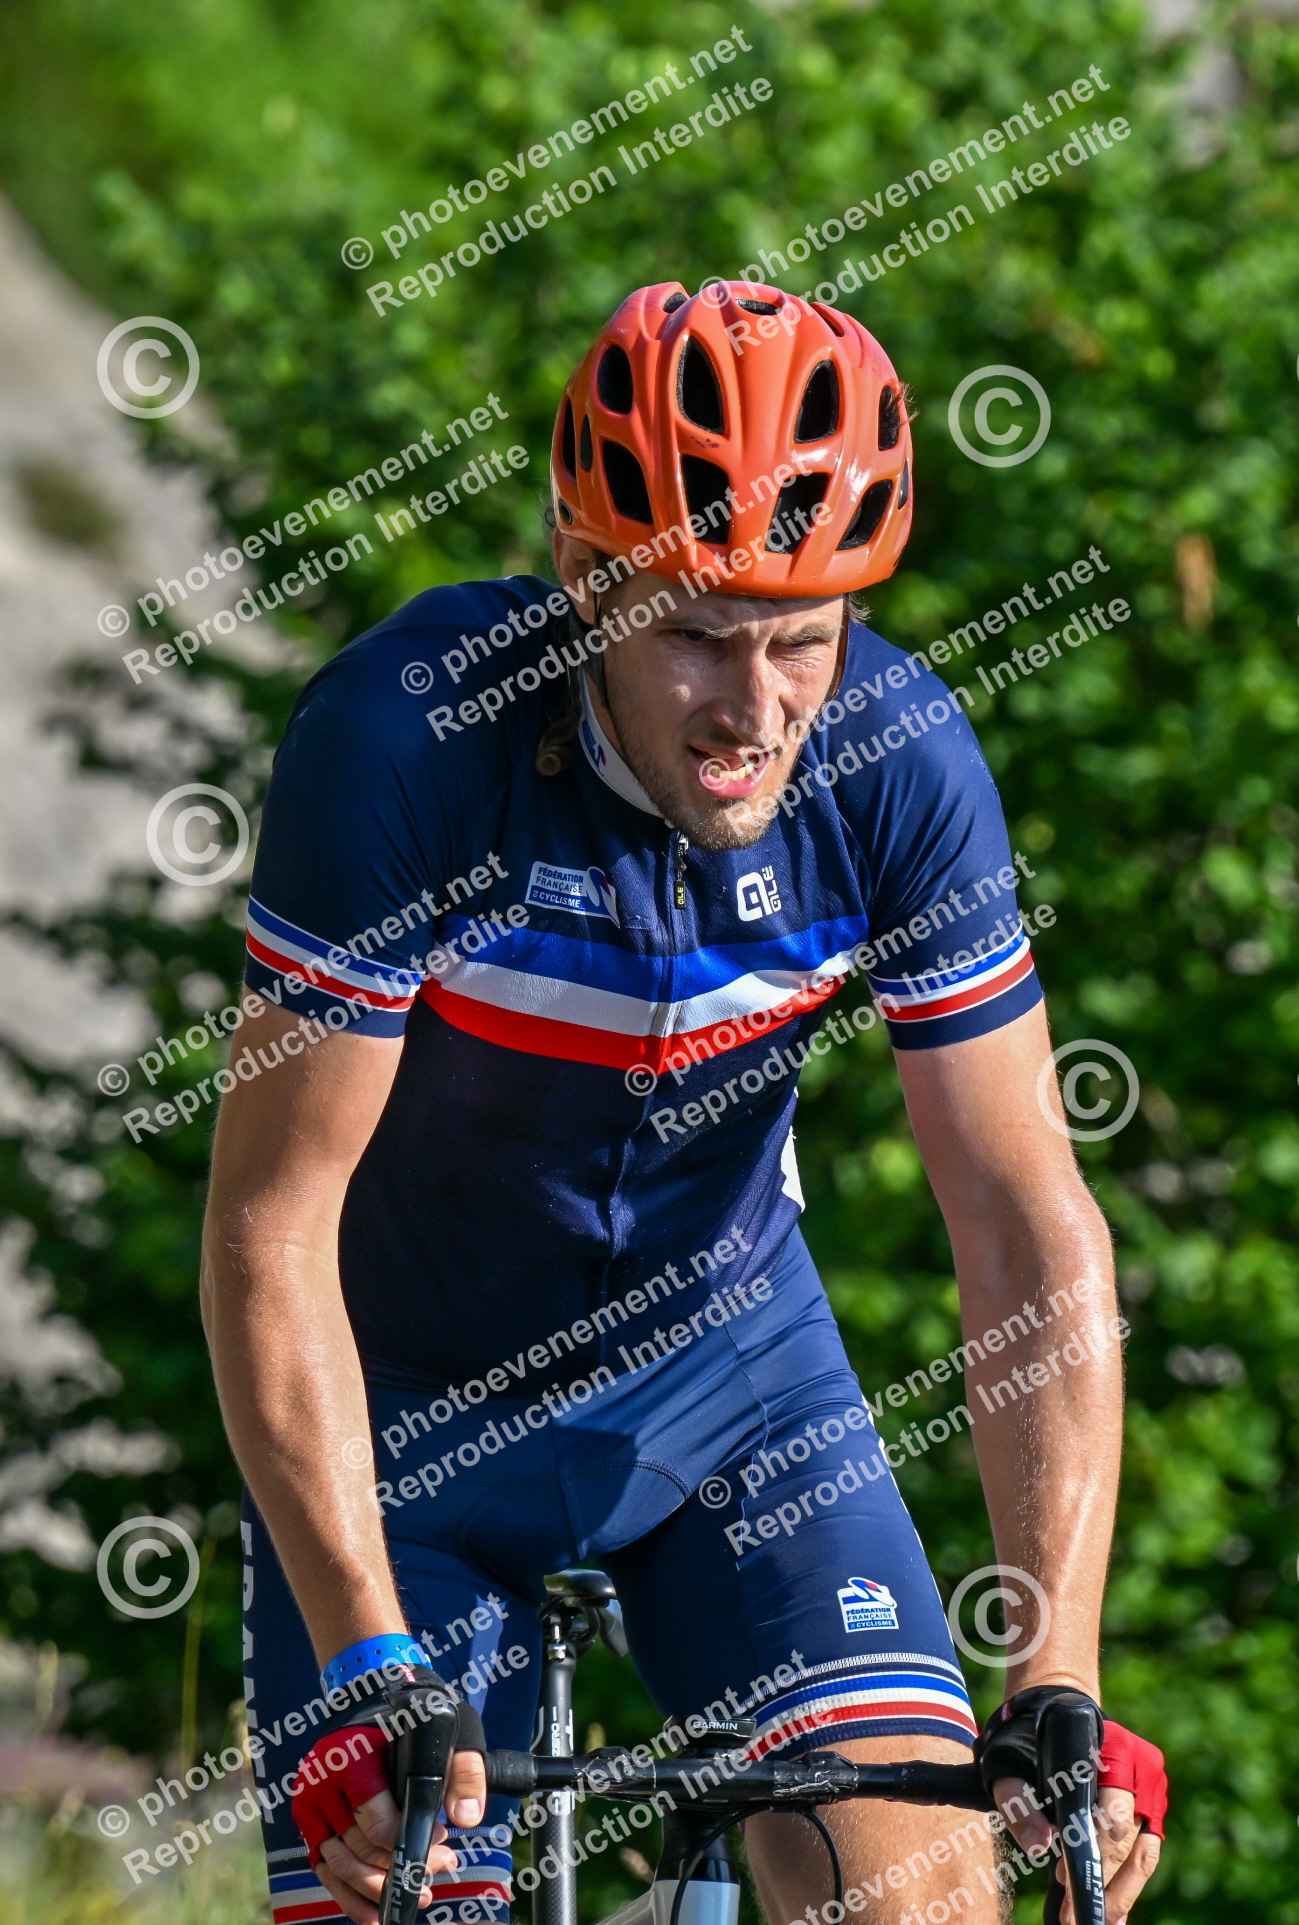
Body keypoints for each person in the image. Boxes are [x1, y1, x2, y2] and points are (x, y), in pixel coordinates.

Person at [201, 279, 1165, 1925]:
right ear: (586, 583)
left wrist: (1057, 1675)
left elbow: (1026, 1223)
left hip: (732, 1388)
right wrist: (366, 1651)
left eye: (805, 636)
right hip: (404, 1419)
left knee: (927, 1898)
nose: (756, 706)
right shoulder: (407, 740)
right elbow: (268, 1226)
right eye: (697, 631)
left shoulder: (896, 761)